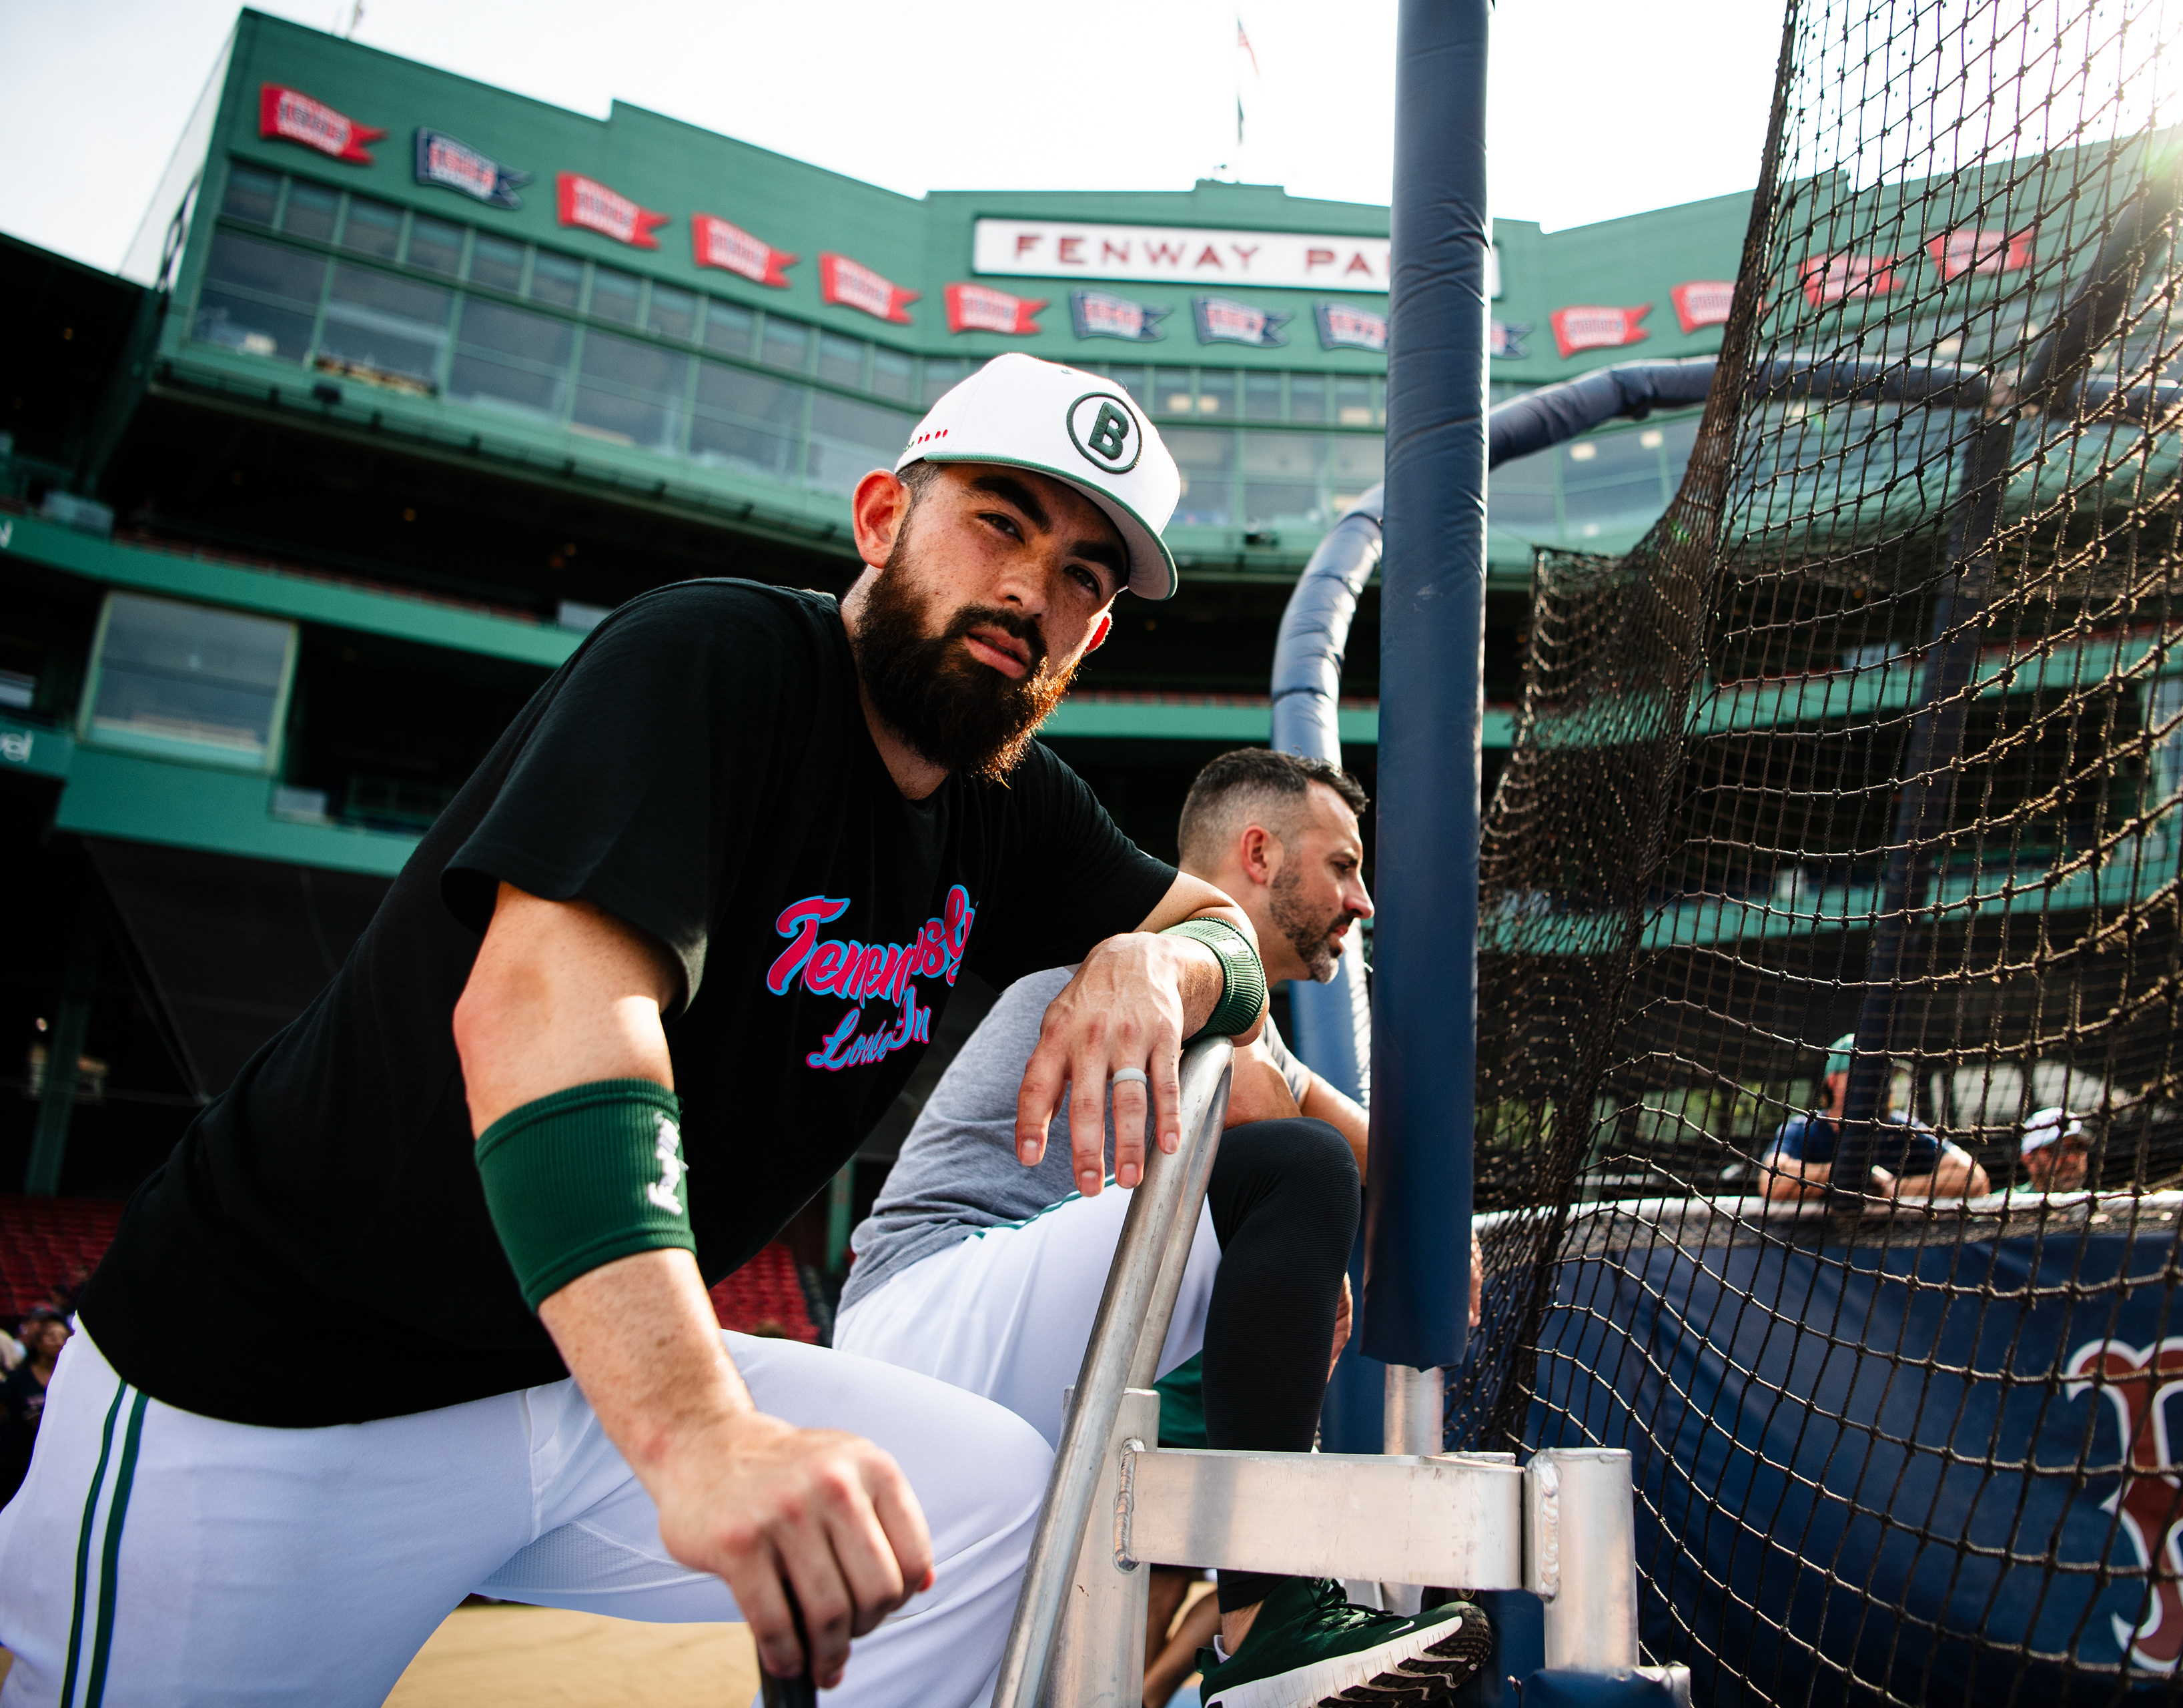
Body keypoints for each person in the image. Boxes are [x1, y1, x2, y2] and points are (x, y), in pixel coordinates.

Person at [0, 353, 1268, 1705]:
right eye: (1001, 521)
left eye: (1084, 573)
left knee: (991, 1503)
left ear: (1096, 635)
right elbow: (545, 1005)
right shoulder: (716, 656)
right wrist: (700, 1429)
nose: (1032, 588)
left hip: (571, 1385)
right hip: (285, 1387)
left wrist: (1159, 962)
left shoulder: (1008, 803)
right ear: (884, 517)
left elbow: (1228, 930)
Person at [836, 749, 1490, 1708]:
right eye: (1344, 866)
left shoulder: (1249, 1030)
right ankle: (1267, 1624)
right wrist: (1317, 1252)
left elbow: (1367, 1143)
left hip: (1023, 1363)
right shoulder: (1149, 958)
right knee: (1295, 1179)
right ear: (1259, 854)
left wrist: (1442, 1226)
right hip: (931, 1312)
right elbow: (1287, 1137)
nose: (1365, 902)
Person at [1760, 1033, 1989, 1200]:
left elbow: (1975, 1180)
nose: (1878, 1083)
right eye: (1862, 1075)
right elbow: (1771, 1182)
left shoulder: (1900, 1129)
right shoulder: (1804, 1128)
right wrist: (1851, 1173)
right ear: (1832, 1082)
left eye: (1884, 1076)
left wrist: (1894, 1187)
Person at [0, 1310, 68, 1508]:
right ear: (38, 1343)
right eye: (52, 1337)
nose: (58, 1342)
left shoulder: (72, 1380)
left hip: (54, 1462)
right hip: (16, 1460)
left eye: (64, 1337)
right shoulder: (19, 1378)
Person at [2014, 1105, 2092, 1193]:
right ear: (2028, 1160)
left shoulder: (2100, 1202)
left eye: (2078, 1147)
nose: (2071, 1158)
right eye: (2057, 1150)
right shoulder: (2003, 1202)